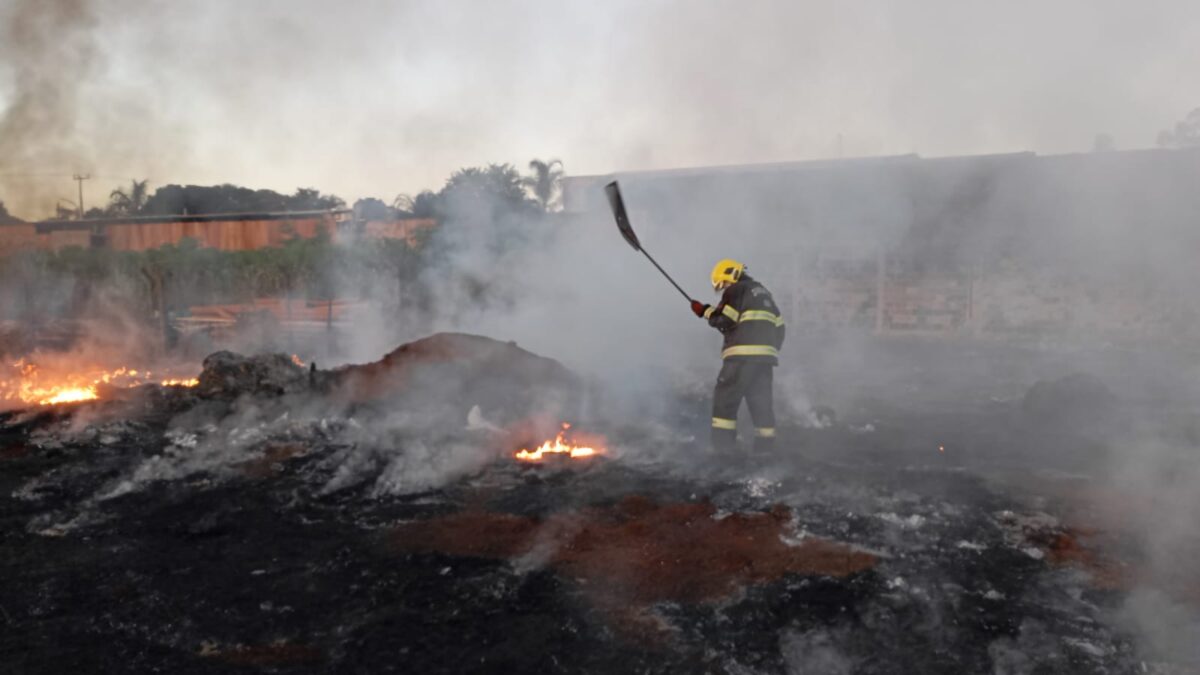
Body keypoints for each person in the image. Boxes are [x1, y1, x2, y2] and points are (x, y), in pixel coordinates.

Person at [690, 259, 785, 454]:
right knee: (761, 405)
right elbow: (780, 328)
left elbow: (726, 320)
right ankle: (765, 453)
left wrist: (705, 312)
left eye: (722, 285)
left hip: (740, 358)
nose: (722, 289)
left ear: (730, 276)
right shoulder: (765, 294)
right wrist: (768, 351)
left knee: (725, 402)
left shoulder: (735, 290)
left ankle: (723, 451)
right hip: (765, 361)